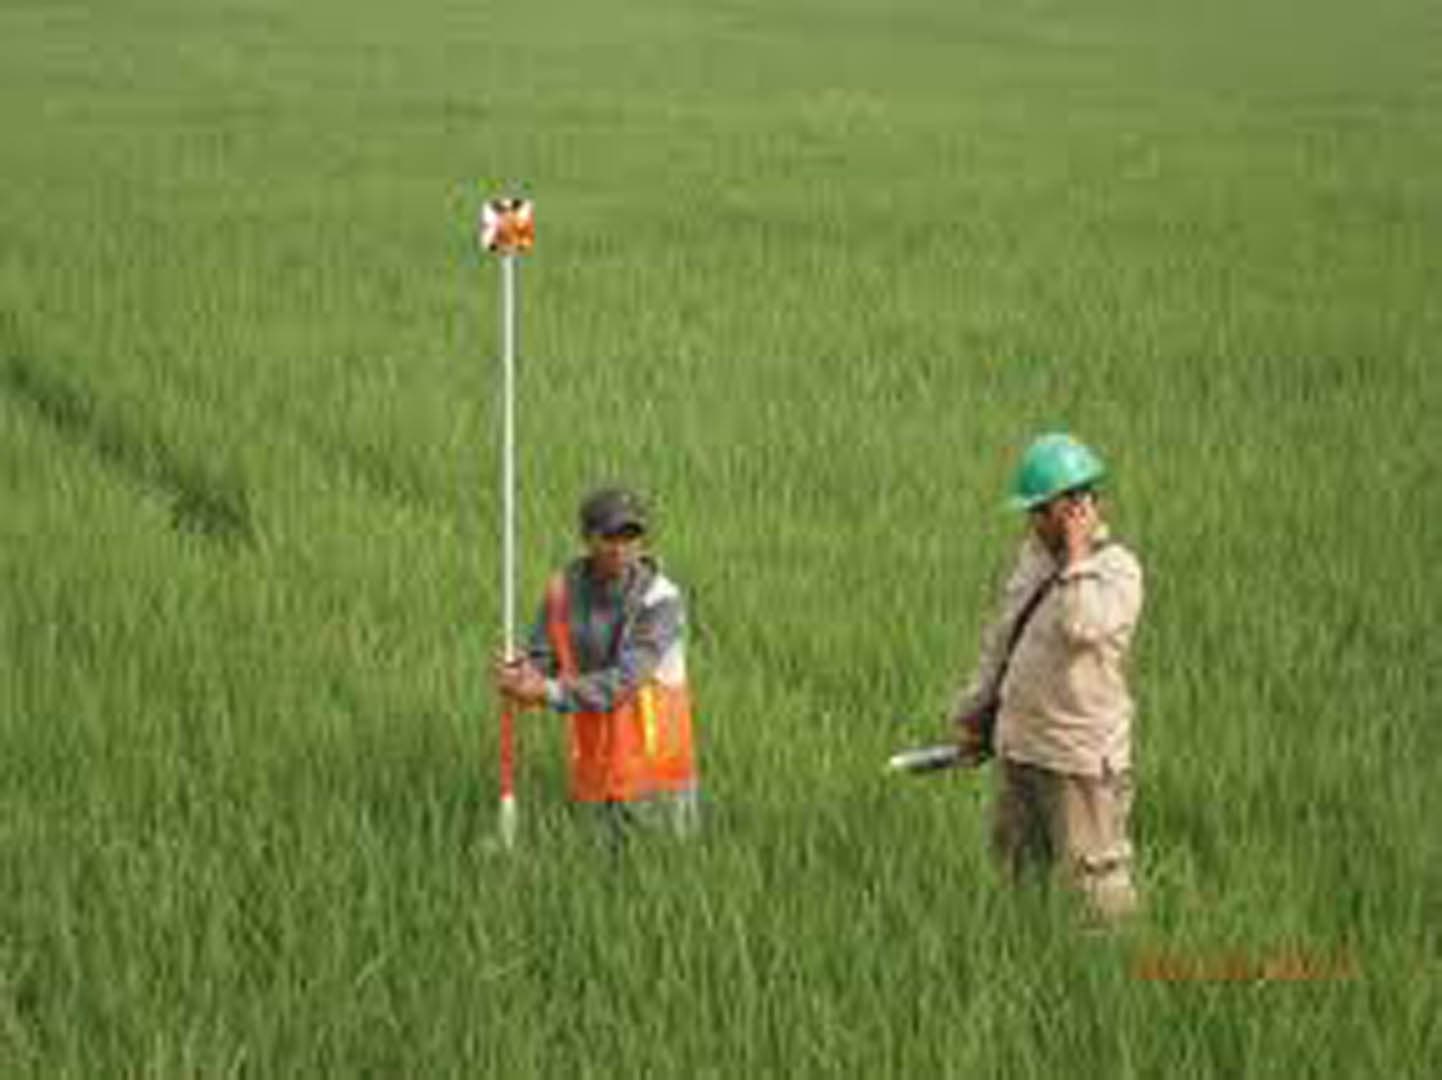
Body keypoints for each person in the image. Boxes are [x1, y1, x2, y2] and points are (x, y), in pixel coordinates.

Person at [950, 434, 1144, 922]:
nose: (1032, 522)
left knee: (1097, 891)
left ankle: (1109, 974)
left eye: (1042, 510)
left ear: (1079, 506)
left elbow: (1083, 627)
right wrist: (975, 712)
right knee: (1016, 873)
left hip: (1078, 757)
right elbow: (1002, 640)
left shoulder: (1116, 572)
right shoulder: (1034, 557)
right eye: (1031, 510)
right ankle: (1024, 948)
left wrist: (1077, 556)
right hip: (1021, 748)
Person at [494, 487, 699, 842]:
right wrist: (523, 675)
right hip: (596, 763)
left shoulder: (660, 601)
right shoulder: (563, 592)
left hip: (655, 771)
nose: (621, 548)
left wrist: (545, 690)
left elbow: (624, 680)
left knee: (659, 876)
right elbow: (545, 657)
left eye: (630, 536)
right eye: (609, 537)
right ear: (587, 539)